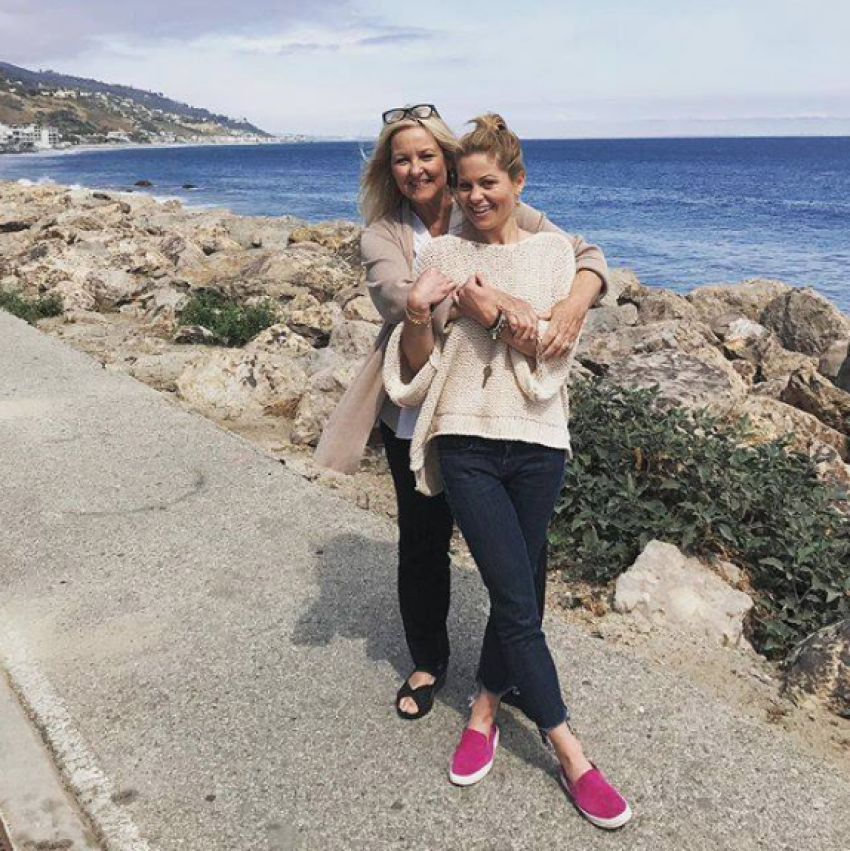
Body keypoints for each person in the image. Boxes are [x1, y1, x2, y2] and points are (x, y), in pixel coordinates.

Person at [315, 104, 609, 721]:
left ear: (446, 160)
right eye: (402, 159)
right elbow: (401, 299)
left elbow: (579, 252)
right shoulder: (383, 234)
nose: (416, 169)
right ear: (388, 170)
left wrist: (578, 302)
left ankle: (514, 672)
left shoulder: (477, 197)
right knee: (423, 541)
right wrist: (489, 298)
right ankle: (427, 660)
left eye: (427, 156)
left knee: (525, 555)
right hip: (419, 405)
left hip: (496, 406)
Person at [381, 113, 631, 830]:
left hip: (539, 439)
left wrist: (507, 315)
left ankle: (485, 708)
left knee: (520, 585)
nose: (475, 195)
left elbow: (554, 353)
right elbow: (413, 367)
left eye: (488, 182)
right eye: (465, 185)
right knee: (513, 597)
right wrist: (432, 314)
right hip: (465, 439)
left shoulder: (556, 253)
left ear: (519, 182)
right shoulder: (447, 255)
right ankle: (572, 753)